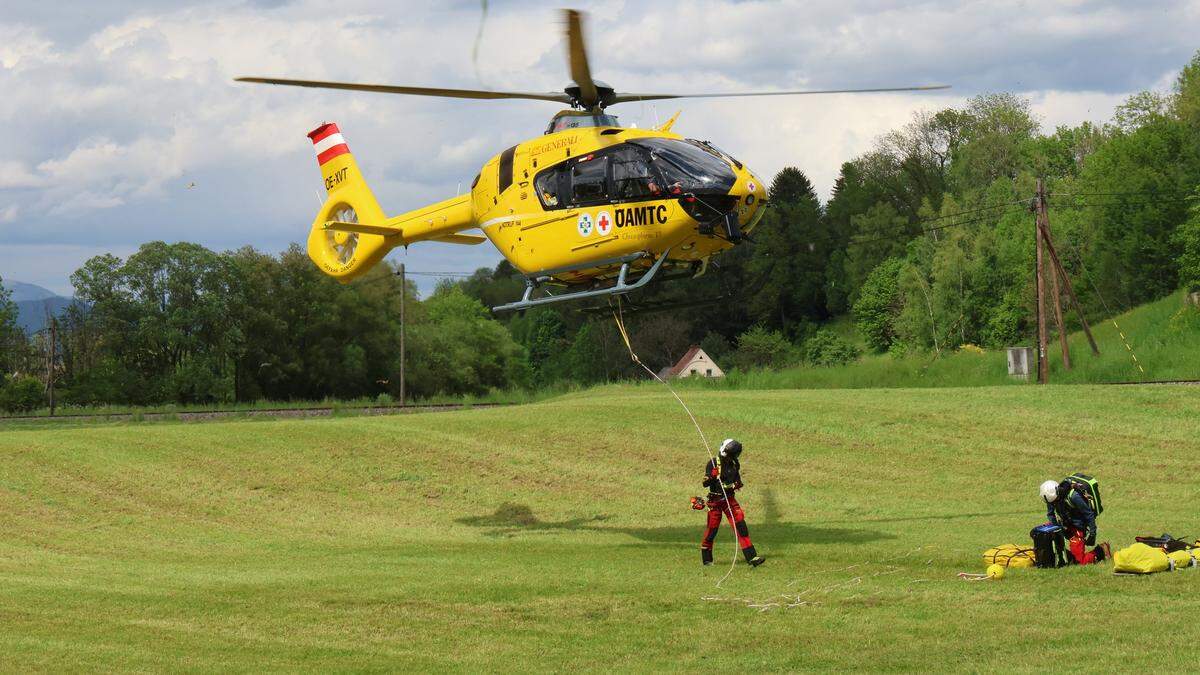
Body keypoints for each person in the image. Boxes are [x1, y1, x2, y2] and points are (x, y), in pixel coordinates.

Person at [700, 439, 765, 567]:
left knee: (741, 526)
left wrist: (733, 485)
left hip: (729, 500)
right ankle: (707, 560)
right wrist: (712, 476)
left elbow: (738, 482)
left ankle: (752, 558)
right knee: (712, 530)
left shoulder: (734, 465)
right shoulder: (713, 463)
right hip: (715, 502)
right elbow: (705, 483)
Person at [1040, 479, 1111, 565]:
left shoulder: (1074, 496)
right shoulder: (1051, 498)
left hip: (1077, 528)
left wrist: (1092, 533)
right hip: (1065, 526)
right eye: (1052, 502)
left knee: (1080, 561)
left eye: (1055, 500)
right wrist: (1057, 528)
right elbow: (1050, 514)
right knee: (1044, 532)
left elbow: (1089, 514)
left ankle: (1101, 550)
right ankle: (1061, 557)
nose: (1054, 503)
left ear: (1058, 492)